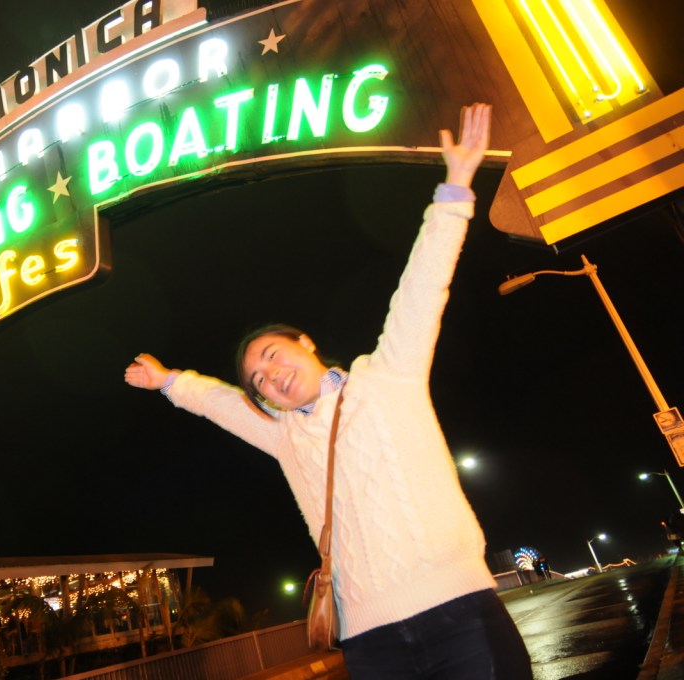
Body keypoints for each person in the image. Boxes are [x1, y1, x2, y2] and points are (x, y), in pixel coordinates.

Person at [124, 104, 532, 679]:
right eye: (259, 382)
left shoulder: (387, 376)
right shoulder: (286, 437)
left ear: (306, 343)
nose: (270, 377)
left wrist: (455, 188)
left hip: (459, 613)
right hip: (369, 642)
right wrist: (170, 381)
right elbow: (220, 402)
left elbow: (421, 287)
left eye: (272, 356)